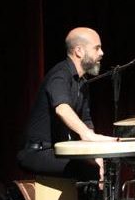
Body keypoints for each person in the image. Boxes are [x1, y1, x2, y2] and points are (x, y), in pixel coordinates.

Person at [18, 27, 115, 184]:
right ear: (79, 51)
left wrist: (95, 153)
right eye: (97, 48)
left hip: (58, 151)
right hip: (37, 152)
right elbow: (62, 109)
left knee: (102, 167)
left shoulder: (83, 83)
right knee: (88, 171)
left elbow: (86, 122)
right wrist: (88, 137)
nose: (102, 53)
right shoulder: (60, 74)